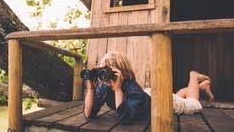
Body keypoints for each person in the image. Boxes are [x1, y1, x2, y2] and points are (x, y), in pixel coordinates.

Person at [83, 51, 215, 125]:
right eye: (103, 72)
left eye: (108, 72)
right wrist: (90, 88)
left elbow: (125, 119)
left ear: (121, 71)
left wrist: (117, 90)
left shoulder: (132, 89)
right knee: (175, 97)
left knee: (193, 105)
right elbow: (89, 113)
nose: (106, 77)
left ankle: (194, 77)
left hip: (158, 102)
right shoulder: (105, 88)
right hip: (147, 97)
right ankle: (200, 87)